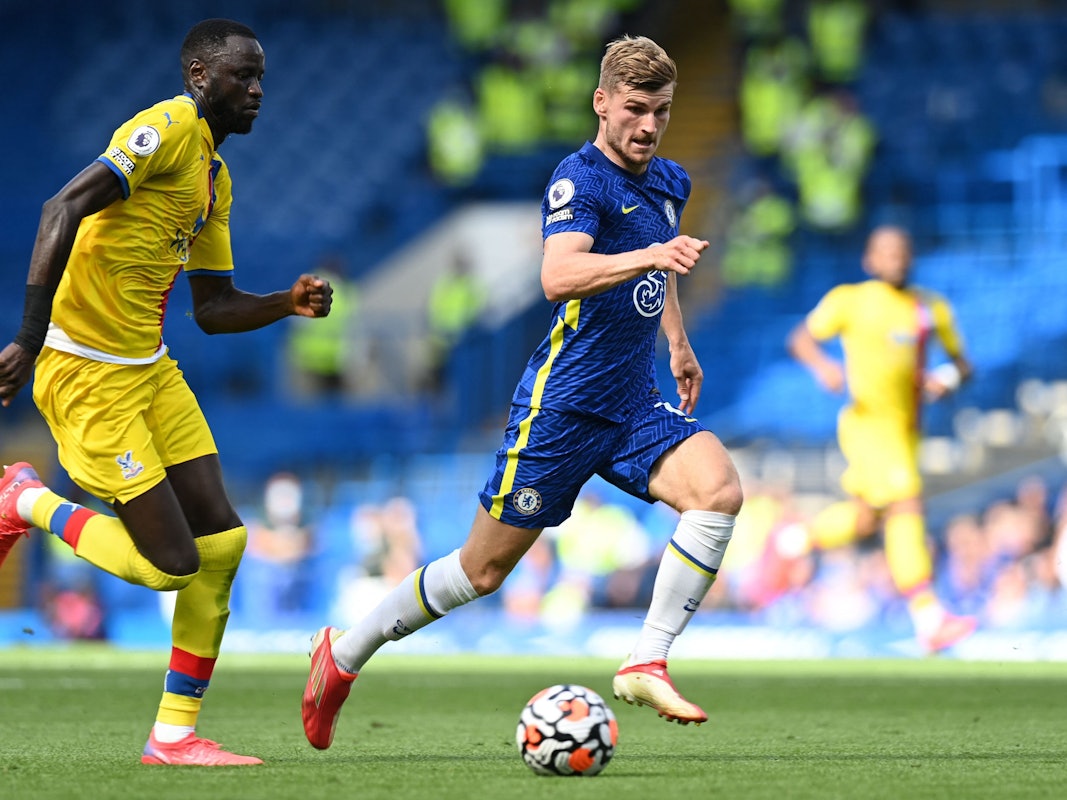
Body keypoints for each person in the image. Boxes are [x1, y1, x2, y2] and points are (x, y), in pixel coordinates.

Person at [302, 34, 743, 750]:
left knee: (717, 491)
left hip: (630, 400)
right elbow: (558, 276)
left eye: (660, 111)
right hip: (562, 406)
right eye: (634, 108)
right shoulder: (579, 181)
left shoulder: (670, 182)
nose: (648, 125)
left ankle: (644, 658)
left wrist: (677, 340)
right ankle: (344, 653)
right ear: (600, 102)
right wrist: (652, 256)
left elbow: (654, 273)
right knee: (481, 570)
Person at [0, 19, 333, 766]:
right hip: (85, 375)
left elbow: (211, 310)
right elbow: (61, 210)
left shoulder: (215, 178)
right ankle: (24, 500)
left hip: (149, 370)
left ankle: (174, 736)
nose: (255, 91)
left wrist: (286, 302)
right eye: (241, 76)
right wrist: (27, 336)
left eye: (261, 80)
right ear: (197, 76)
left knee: (223, 541)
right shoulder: (168, 129)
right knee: (167, 566)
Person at [786, 225, 976, 653]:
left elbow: (964, 366)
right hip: (868, 425)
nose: (896, 259)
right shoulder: (850, 301)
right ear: (869, 260)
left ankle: (798, 540)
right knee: (906, 504)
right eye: (886, 252)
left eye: (903, 251)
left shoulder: (931, 308)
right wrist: (824, 367)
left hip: (908, 432)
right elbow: (800, 339)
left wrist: (945, 379)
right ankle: (929, 618)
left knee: (868, 520)